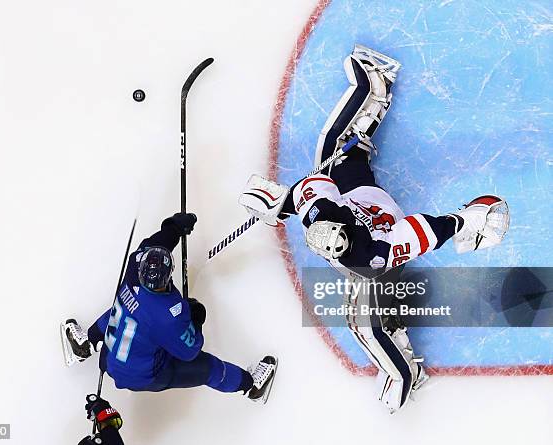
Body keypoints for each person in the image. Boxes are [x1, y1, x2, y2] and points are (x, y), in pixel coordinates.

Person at [239, 45, 509, 413]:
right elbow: (313, 188)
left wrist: (465, 221)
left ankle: (403, 374)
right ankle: (373, 93)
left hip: (372, 232)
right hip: (371, 207)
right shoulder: (326, 215)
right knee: (333, 153)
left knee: (363, 325)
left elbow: (423, 230)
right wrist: (282, 203)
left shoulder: (372, 253)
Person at [61, 213, 277, 404]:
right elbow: (190, 351)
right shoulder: (168, 315)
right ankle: (251, 387)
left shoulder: (134, 267)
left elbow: (152, 243)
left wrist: (173, 228)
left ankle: (87, 344)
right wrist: (196, 320)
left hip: (110, 358)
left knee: (123, 310)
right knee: (208, 368)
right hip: (143, 375)